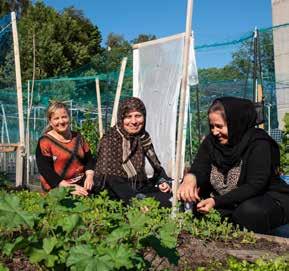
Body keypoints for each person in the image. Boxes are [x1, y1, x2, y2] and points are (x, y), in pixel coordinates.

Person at [177, 97, 289, 234]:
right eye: (211, 126)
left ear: (235, 123)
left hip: (264, 198)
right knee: (200, 210)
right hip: (226, 200)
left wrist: (216, 202)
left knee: (248, 212)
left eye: (219, 126)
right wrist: (191, 178)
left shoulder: (259, 143)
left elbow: (255, 185)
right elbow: (200, 166)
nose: (214, 132)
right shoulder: (211, 142)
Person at [94, 97, 172, 207]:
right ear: (121, 118)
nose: (134, 121)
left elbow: (157, 167)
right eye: (128, 117)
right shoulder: (110, 139)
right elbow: (111, 179)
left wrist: (162, 181)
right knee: (160, 204)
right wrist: (135, 201)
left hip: (139, 187)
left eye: (138, 116)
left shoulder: (143, 136)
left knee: (173, 200)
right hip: (115, 193)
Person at [36, 101, 95, 196]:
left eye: (64, 117)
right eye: (56, 118)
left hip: (80, 182)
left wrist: (90, 176)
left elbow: (89, 160)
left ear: (69, 118)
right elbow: (45, 170)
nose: (61, 121)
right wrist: (67, 187)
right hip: (57, 186)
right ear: (50, 122)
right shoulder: (45, 141)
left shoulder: (78, 137)